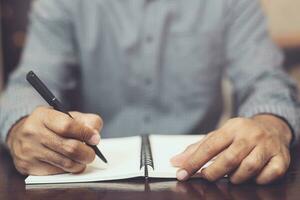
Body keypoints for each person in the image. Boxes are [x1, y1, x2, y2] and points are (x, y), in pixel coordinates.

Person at [0, 0, 299, 185]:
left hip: (200, 182)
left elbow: (266, 79)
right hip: (89, 182)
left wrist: (270, 125)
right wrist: (21, 129)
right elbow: (23, 90)